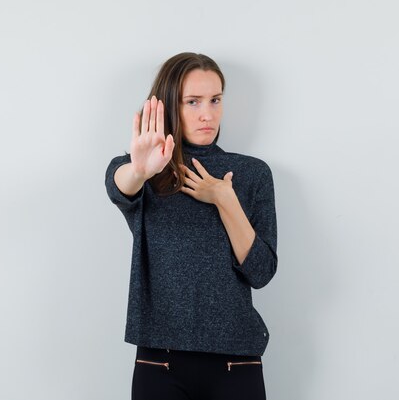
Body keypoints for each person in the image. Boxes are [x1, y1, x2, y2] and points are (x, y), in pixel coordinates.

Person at [105, 52, 278, 400]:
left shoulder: (252, 173)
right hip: (161, 363)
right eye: (193, 101)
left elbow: (260, 272)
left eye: (215, 100)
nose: (207, 114)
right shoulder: (146, 170)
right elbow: (119, 186)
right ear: (170, 105)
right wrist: (141, 169)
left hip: (236, 361)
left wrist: (225, 199)